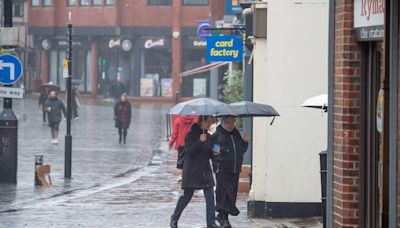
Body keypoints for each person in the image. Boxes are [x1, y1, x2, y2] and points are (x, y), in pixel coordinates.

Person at [170, 115, 221, 228]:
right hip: (192, 171)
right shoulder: (191, 134)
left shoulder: (209, 136)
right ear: (201, 122)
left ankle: (211, 222)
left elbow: (212, 152)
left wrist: (216, 152)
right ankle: (175, 217)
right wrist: (199, 141)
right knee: (187, 197)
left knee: (210, 195)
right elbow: (189, 152)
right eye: (207, 122)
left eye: (211, 122)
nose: (209, 124)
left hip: (205, 171)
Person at [211, 116, 249, 228]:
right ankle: (223, 217)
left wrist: (245, 143)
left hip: (235, 169)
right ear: (223, 123)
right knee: (223, 193)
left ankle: (223, 217)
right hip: (222, 168)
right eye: (227, 122)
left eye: (232, 122)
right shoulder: (217, 135)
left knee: (231, 194)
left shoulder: (236, 134)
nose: (230, 125)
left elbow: (241, 150)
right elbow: (214, 152)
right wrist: (223, 150)